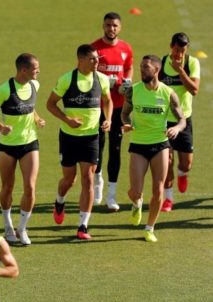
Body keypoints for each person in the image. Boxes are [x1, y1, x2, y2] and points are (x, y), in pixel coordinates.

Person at [46, 44, 112, 240]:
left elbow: (107, 101)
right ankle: (59, 201)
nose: (96, 62)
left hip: (92, 137)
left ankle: (83, 225)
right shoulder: (67, 79)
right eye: (92, 59)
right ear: (80, 60)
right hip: (68, 137)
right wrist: (67, 120)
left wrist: (108, 119)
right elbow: (50, 104)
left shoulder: (102, 79)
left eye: (97, 58)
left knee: (88, 179)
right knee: (69, 179)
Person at [121, 55, 186, 242]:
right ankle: (137, 203)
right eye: (141, 67)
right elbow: (124, 114)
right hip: (139, 145)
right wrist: (126, 124)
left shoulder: (168, 93)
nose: (142, 70)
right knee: (135, 190)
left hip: (160, 144)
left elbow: (182, 120)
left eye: (146, 67)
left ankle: (150, 228)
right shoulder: (133, 91)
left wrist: (176, 128)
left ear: (156, 70)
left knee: (158, 189)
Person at [0, 53, 45, 245]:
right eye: (35, 67)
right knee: (7, 187)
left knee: (30, 186)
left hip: (30, 144)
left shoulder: (35, 85)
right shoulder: (4, 89)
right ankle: (7, 224)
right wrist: (1, 127)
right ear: (23, 70)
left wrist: (37, 119)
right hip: (8, 146)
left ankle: (22, 227)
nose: (38, 70)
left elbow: (31, 107)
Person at [92, 12, 133, 210]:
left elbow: (128, 69)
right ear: (103, 26)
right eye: (108, 25)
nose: (111, 29)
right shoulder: (95, 48)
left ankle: (111, 195)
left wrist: (126, 83)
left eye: (115, 25)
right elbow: (85, 72)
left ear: (120, 27)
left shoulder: (126, 48)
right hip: (98, 107)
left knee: (115, 149)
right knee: (98, 147)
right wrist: (101, 82)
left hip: (118, 107)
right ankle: (97, 184)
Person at [160, 32, 200, 212]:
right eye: (176, 50)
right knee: (166, 160)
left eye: (182, 51)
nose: (178, 54)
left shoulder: (192, 63)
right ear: (171, 46)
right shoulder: (161, 63)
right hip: (164, 120)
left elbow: (194, 90)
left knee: (186, 163)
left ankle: (183, 174)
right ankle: (168, 198)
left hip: (183, 121)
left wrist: (180, 71)